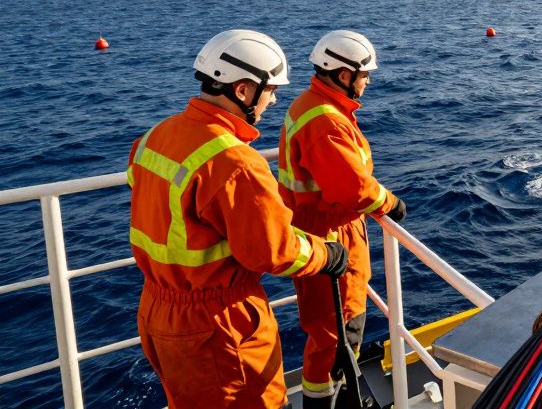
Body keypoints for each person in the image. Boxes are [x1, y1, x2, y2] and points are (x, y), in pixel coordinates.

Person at [128, 29, 350, 408]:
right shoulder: (235, 162)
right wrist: (325, 254)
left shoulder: (155, 136)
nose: (274, 100)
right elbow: (273, 250)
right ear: (243, 91)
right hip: (218, 325)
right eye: (270, 90)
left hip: (158, 312)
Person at [278, 30, 407, 407]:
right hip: (332, 239)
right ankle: (334, 401)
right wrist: (391, 203)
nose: (367, 82)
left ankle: (331, 396)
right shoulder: (327, 121)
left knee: (327, 333)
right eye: (364, 74)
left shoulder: (311, 105)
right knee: (339, 331)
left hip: (318, 231)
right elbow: (353, 189)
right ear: (343, 74)